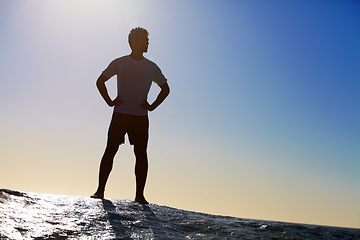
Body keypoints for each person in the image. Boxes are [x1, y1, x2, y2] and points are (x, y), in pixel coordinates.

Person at [91, 27, 170, 204]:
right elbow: (100, 81)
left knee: (141, 154)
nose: (147, 42)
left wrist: (152, 106)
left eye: (147, 40)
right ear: (132, 42)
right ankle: (100, 191)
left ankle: (140, 195)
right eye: (143, 39)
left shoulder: (151, 67)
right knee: (110, 150)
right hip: (120, 114)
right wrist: (110, 101)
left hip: (140, 118)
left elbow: (166, 89)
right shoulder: (120, 63)